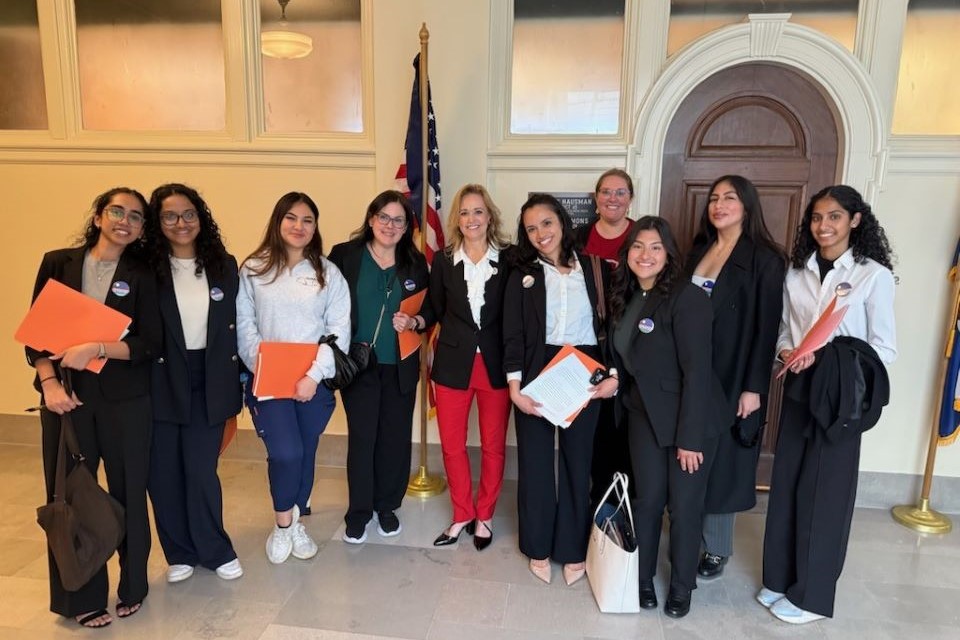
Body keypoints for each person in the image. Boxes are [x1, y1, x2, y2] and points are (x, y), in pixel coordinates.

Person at [759, 185, 897, 624]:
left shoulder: (871, 275)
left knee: (826, 493)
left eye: (834, 217)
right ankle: (780, 578)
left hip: (840, 394)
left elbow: (884, 349)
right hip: (800, 384)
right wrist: (786, 352)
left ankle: (812, 596)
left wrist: (833, 354)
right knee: (789, 482)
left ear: (855, 220)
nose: (824, 226)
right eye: (817, 218)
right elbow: (784, 328)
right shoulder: (796, 272)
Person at [26, 187, 161, 628]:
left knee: (128, 493)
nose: (125, 220)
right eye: (117, 211)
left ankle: (133, 586)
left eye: (136, 216)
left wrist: (96, 347)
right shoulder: (57, 262)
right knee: (70, 496)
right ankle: (79, 595)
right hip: (65, 398)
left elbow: (149, 344)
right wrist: (49, 384)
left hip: (126, 402)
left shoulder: (143, 274)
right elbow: (35, 336)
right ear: (100, 216)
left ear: (142, 229)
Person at [503, 193, 619, 586]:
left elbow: (613, 328)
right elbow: (513, 335)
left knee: (577, 462)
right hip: (537, 369)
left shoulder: (596, 268)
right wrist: (515, 388)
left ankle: (571, 549)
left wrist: (612, 374)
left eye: (546, 224)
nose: (540, 234)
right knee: (535, 463)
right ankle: (538, 545)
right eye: (531, 228)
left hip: (584, 369)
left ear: (562, 223)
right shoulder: (521, 275)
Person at [608, 216, 716, 618]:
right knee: (648, 501)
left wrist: (690, 438)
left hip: (688, 420)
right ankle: (642, 579)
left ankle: (682, 586)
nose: (645, 254)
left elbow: (698, 373)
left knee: (684, 507)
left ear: (669, 253)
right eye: (638, 246)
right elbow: (630, 359)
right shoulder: (629, 294)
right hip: (644, 415)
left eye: (655, 247)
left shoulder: (688, 299)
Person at [236, 192, 350, 564]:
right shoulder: (253, 269)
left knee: (306, 452)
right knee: (285, 453)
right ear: (278, 221)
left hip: (312, 382)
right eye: (291, 218)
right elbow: (245, 326)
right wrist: (264, 368)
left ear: (315, 227)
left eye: (307, 220)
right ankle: (283, 526)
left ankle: (297, 519)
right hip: (267, 379)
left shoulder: (327, 272)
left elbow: (338, 330)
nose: (299, 227)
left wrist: (314, 375)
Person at [683, 176, 785, 580]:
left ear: (747, 206)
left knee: (724, 462)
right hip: (693, 370)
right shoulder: (698, 251)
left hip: (733, 373)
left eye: (729, 198)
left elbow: (766, 328)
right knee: (691, 454)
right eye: (713, 199)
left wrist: (754, 386)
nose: (719, 205)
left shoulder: (765, 260)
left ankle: (717, 547)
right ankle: (688, 536)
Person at [144, 183, 243, 584]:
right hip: (161, 377)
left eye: (188, 214)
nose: (181, 223)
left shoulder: (223, 264)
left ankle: (214, 549)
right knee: (163, 473)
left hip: (210, 377)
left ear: (201, 218)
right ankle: (179, 552)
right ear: (157, 222)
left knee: (202, 470)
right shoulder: (144, 270)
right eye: (170, 216)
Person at [328, 190, 434, 544]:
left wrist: (416, 321)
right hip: (359, 365)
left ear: (407, 228)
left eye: (398, 220)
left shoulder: (415, 263)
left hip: (400, 366)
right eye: (384, 217)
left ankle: (387, 506)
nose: (390, 225)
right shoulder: (345, 256)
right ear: (371, 219)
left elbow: (431, 310)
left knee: (394, 438)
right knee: (363, 438)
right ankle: (358, 512)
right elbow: (325, 301)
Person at [429, 185, 512, 551]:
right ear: (457, 220)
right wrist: (414, 323)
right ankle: (462, 513)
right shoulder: (444, 260)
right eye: (464, 213)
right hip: (452, 364)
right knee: (452, 445)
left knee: (493, 446)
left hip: (496, 365)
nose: (471, 219)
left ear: (489, 216)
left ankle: (485, 515)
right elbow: (433, 309)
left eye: (478, 211)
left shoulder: (510, 259)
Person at [575, 168, 637, 506]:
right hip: (589, 342)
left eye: (621, 192)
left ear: (630, 198)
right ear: (596, 198)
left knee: (624, 427)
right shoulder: (579, 237)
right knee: (594, 429)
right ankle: (596, 498)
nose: (613, 198)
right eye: (606, 192)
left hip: (629, 344)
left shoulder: (641, 235)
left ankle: (623, 502)